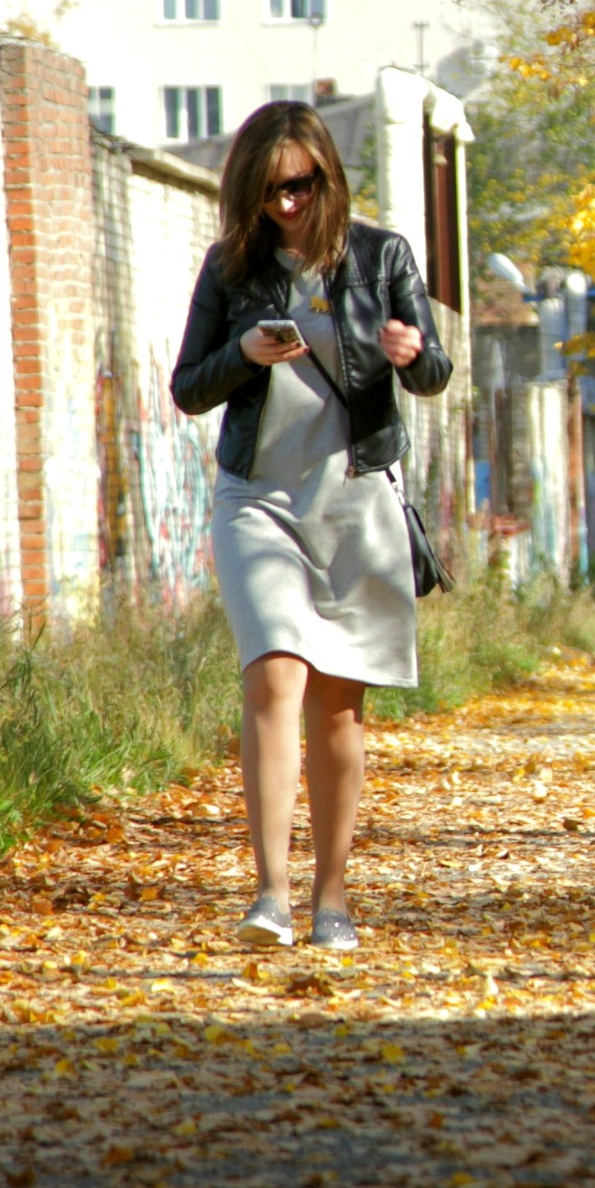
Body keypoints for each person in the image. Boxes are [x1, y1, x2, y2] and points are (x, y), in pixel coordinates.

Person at [170, 101, 452, 952]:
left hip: (356, 501)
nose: (284, 205)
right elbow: (189, 387)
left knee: (338, 710)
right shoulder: (231, 269)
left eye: (297, 186)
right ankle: (271, 896)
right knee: (273, 673)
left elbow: (433, 370)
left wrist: (411, 352)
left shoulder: (382, 254)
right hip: (256, 499)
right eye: (265, 191)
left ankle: (333, 900)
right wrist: (242, 355)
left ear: (326, 175)